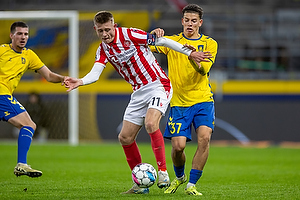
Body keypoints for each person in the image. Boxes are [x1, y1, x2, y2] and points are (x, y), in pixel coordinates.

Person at [64, 11, 210, 194]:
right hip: (138, 92)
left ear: (114, 26)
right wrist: (80, 81)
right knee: (124, 137)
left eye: (107, 30)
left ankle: (163, 171)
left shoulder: (130, 34)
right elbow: (95, 73)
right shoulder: (103, 49)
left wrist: (190, 53)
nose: (105, 34)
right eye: (100, 31)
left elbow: (162, 41)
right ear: (95, 29)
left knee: (150, 123)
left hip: (158, 84)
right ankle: (141, 186)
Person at [150, 4, 218, 196]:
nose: (190, 24)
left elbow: (204, 70)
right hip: (179, 103)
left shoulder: (210, 44)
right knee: (178, 147)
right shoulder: (172, 42)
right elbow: (147, 44)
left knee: (204, 138)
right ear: (182, 21)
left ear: (200, 23)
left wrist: (190, 56)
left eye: (194, 21)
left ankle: (192, 184)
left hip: (203, 99)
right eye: (187, 20)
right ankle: (180, 178)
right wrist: (153, 34)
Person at [0, 21, 67, 178]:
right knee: (28, 124)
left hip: (5, 95)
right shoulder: (2, 50)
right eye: (19, 34)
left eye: (26, 34)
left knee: (29, 125)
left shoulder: (29, 55)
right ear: (11, 36)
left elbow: (49, 75)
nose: (23, 37)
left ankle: (22, 164)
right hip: (2, 94)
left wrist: (64, 78)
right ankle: (21, 164)